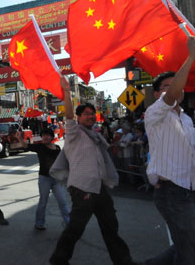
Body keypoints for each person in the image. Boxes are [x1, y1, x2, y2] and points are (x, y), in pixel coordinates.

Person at [48, 76, 138, 265]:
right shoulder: (74, 133)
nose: (90, 116)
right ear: (79, 118)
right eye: (86, 114)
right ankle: (58, 260)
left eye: (92, 113)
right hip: (82, 189)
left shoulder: (95, 136)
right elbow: (69, 117)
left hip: (99, 188)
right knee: (75, 228)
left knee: (110, 226)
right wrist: (66, 92)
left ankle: (124, 261)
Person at [144, 36, 195, 265]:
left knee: (185, 244)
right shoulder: (155, 114)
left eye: (178, 85)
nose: (177, 88)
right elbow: (172, 95)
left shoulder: (186, 119)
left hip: (189, 189)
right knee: (189, 248)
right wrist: (192, 56)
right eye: (167, 86)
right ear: (157, 94)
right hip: (172, 193)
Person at [17, 127, 70, 230]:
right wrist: (20, 138)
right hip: (44, 178)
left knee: (62, 201)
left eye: (48, 135)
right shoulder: (39, 147)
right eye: (44, 135)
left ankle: (68, 222)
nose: (45, 137)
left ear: (51, 137)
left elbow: (63, 161)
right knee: (43, 202)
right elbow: (26, 146)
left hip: (57, 179)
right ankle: (39, 223)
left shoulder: (57, 148)